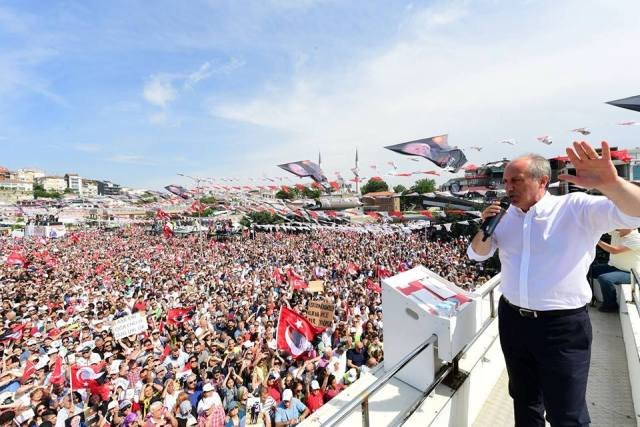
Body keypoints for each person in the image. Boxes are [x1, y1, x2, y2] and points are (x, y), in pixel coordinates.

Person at [468, 141, 640, 426]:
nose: (508, 187)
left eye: (516, 180)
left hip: (562, 328)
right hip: (513, 321)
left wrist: (613, 183)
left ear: (542, 181)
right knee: (525, 402)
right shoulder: (503, 217)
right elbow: (476, 254)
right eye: (506, 181)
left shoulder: (576, 208)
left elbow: (635, 212)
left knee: (566, 413)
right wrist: (485, 228)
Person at [592, 228, 640, 312]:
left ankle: (611, 306)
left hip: (630, 273)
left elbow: (615, 250)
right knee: (589, 271)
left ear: (633, 226)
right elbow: (602, 226)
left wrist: (597, 240)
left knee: (605, 279)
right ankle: (590, 297)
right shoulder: (616, 232)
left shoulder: (636, 238)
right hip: (614, 267)